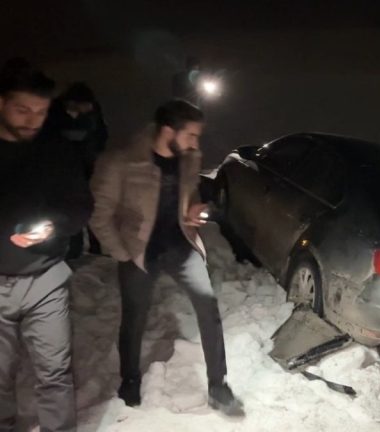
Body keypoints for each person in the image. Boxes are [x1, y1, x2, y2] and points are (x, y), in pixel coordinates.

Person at [89, 99, 243, 416]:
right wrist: (121, 252)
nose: (195, 143)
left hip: (180, 247)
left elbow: (191, 195)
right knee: (134, 318)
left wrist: (193, 208)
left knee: (207, 305)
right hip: (139, 251)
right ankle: (129, 379)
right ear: (168, 131)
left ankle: (218, 384)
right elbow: (99, 213)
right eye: (190, 135)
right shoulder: (122, 163)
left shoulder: (187, 160)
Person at [0, 63, 93, 432]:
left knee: (54, 373)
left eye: (40, 111)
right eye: (22, 109)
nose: (32, 120)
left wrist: (55, 225)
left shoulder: (54, 151)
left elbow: (81, 205)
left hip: (45, 280)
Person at [45, 82, 108, 258]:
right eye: (84, 105)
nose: (87, 108)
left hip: (88, 163)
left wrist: (95, 151)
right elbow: (49, 136)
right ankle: (74, 248)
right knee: (71, 205)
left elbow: (102, 133)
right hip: (63, 167)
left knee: (91, 204)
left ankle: (96, 246)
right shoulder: (54, 111)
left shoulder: (92, 111)